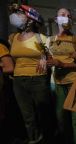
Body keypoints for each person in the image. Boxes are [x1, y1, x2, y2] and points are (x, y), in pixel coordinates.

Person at [8, 4, 54, 144]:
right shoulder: (13, 38)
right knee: (27, 116)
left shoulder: (42, 38)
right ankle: (33, 139)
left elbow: (52, 59)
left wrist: (45, 59)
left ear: (31, 19)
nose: (16, 15)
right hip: (19, 81)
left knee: (43, 113)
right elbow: (13, 58)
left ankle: (47, 139)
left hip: (38, 79)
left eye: (20, 13)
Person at [46, 8, 76, 144]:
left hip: (75, 83)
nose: (66, 17)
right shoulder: (50, 40)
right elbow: (48, 59)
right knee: (61, 119)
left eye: (69, 16)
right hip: (58, 83)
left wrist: (64, 64)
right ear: (55, 19)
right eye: (63, 15)